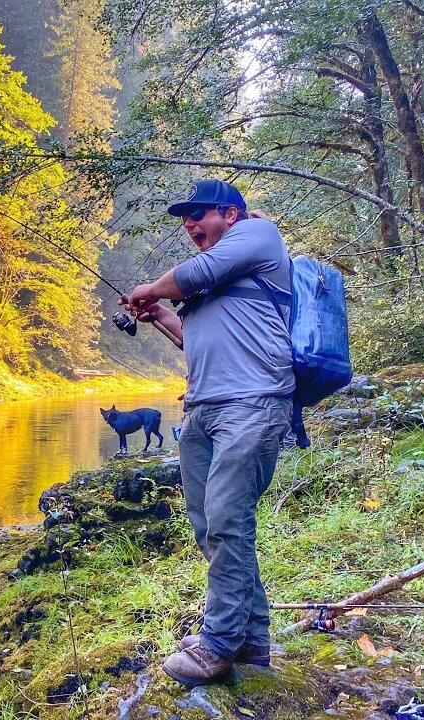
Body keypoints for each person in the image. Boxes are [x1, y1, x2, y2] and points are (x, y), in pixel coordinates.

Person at [120, 178, 293, 686]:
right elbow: (193, 341)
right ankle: (252, 640)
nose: (189, 224)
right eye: (184, 218)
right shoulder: (211, 281)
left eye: (199, 214)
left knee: (227, 520)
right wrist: (164, 316)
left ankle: (217, 643)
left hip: (253, 403)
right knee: (210, 525)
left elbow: (199, 272)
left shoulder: (259, 236)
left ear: (231, 214)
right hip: (201, 409)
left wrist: (149, 290)